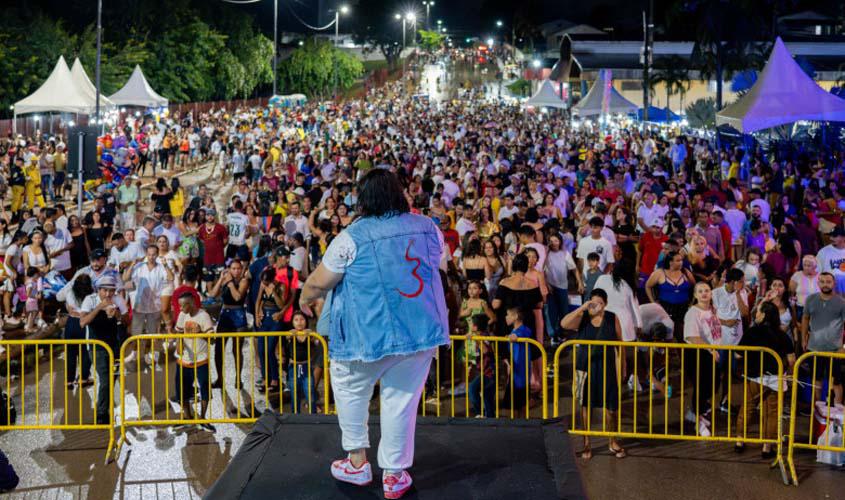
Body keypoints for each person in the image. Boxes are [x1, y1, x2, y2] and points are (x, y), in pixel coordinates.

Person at [299, 170, 449, 499]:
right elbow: (438, 264)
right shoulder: (428, 228)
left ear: (363, 198)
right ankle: (394, 475)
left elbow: (319, 282)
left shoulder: (352, 237)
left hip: (362, 337)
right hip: (418, 332)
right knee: (401, 402)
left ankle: (356, 464)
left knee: (351, 392)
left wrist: (304, 298)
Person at [560, 288, 626, 460]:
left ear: (605, 304)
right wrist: (582, 308)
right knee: (585, 407)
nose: (596, 306)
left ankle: (613, 440)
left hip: (607, 367)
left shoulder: (612, 318)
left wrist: (624, 365)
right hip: (585, 367)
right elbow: (564, 324)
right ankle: (586, 444)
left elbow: (620, 343)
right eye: (593, 302)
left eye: (600, 303)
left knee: (612, 407)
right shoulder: (582, 318)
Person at [735, 301, 794, 458]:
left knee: (747, 407)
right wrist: (788, 372)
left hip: (754, 376)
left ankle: (740, 441)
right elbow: (791, 358)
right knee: (772, 412)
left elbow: (738, 354)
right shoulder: (781, 334)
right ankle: (767, 447)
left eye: (759, 312)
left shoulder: (752, 332)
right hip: (775, 378)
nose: (756, 314)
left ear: (764, 314)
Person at [79, 275, 128, 424]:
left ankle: (104, 407)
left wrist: (117, 314)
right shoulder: (90, 300)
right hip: (96, 346)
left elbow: (126, 321)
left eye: (111, 291)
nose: (108, 294)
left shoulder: (118, 300)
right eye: (104, 290)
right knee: (105, 379)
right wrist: (99, 308)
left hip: (114, 345)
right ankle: (101, 414)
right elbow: (82, 322)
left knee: (112, 379)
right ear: (98, 290)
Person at [683, 282, 723, 437]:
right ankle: (698, 423)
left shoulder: (713, 310)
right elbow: (692, 336)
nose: (704, 293)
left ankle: (694, 414)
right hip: (699, 354)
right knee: (702, 388)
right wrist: (710, 349)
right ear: (695, 295)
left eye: (707, 290)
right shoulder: (693, 312)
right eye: (700, 291)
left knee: (713, 386)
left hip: (713, 353)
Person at [801, 272, 845, 404]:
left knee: (837, 381)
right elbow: (805, 318)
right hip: (815, 347)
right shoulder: (810, 299)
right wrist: (804, 339)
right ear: (818, 283)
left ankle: (837, 416)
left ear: (834, 283)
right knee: (816, 380)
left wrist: (843, 347)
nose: (825, 284)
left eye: (828, 282)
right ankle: (815, 413)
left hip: (835, 350)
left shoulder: (842, 302)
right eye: (822, 281)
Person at [173, 291, 215, 431]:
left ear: (190, 304)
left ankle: (202, 419)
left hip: (201, 359)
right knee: (181, 389)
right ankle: (187, 417)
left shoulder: (204, 317)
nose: (180, 309)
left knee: (204, 389)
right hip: (184, 360)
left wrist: (201, 333)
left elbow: (213, 340)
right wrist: (179, 344)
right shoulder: (182, 315)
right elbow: (179, 332)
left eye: (182, 306)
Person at [645, 251, 695, 341]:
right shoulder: (660, 273)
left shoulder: (685, 272)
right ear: (670, 262)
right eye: (678, 260)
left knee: (682, 337)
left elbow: (695, 287)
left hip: (683, 308)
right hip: (665, 308)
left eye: (681, 260)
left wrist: (692, 303)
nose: (681, 262)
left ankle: (681, 354)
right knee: (665, 336)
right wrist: (653, 302)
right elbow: (648, 286)